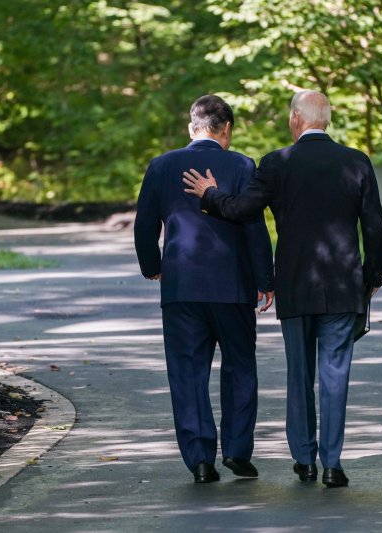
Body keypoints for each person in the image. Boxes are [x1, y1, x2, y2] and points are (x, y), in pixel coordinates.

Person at [183, 90, 382, 487]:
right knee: (335, 376)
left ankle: (304, 460)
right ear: (325, 119)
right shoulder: (356, 161)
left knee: (299, 375)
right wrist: (372, 276)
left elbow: (244, 210)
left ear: (296, 119)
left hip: (295, 284)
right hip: (344, 285)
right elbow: (375, 227)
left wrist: (210, 195)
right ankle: (333, 464)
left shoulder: (277, 163)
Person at [134, 95, 275, 484]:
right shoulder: (242, 165)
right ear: (226, 129)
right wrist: (265, 279)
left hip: (181, 288)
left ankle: (199, 458)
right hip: (233, 287)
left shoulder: (161, 166)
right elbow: (253, 226)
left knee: (187, 373)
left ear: (191, 126)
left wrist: (154, 269)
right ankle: (237, 450)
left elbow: (145, 225)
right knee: (240, 367)